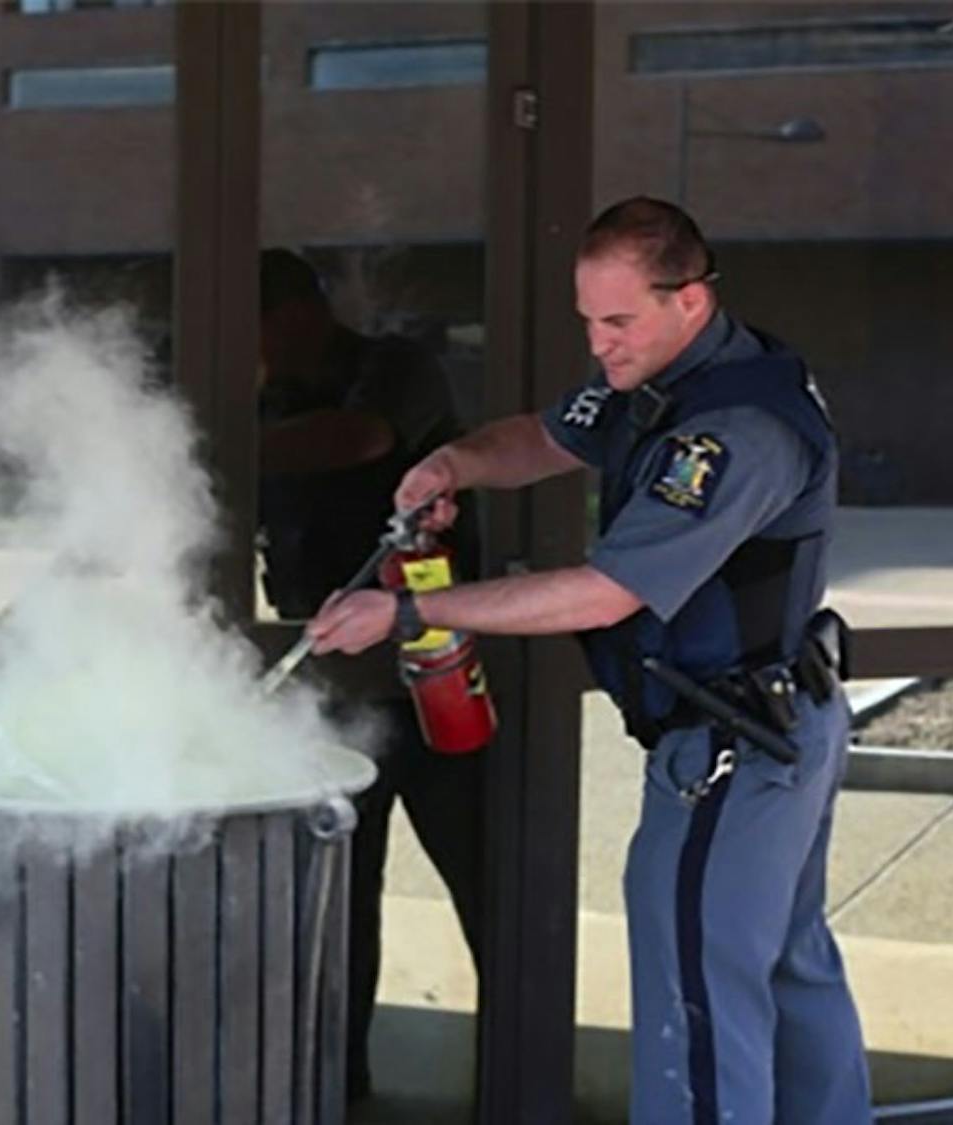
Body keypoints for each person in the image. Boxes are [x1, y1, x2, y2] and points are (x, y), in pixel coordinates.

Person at [307, 199, 873, 1124]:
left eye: (619, 321)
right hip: (773, 727)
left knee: (696, 999)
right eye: (589, 321)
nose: (601, 344)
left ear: (689, 299)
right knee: (783, 964)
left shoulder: (732, 433)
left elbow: (605, 591)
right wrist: (452, 463)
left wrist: (406, 609)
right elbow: (547, 436)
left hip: (733, 746)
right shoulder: (672, 375)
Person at [255, 248, 484, 1103]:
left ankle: (520, 1064)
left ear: (297, 314)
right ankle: (338, 1082)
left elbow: (361, 439)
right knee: (340, 901)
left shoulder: (395, 368)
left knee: (486, 882)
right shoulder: (269, 397)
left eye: (260, 328)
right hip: (328, 691)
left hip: (433, 678)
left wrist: (210, 439)